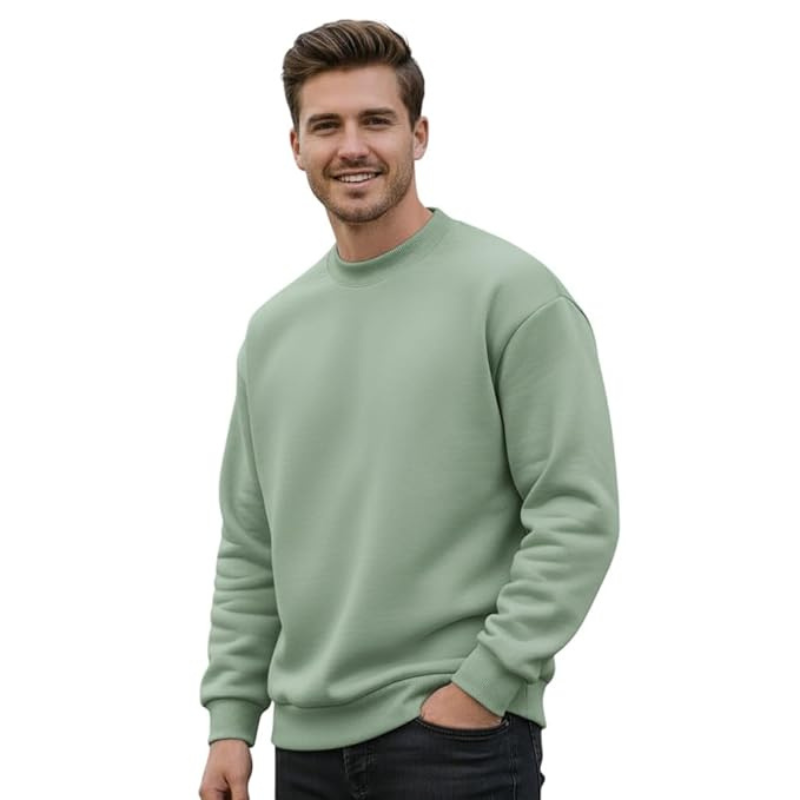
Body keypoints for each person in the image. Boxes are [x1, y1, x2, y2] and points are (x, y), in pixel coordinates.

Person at [198, 18, 619, 800]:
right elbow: (252, 545)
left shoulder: (513, 295)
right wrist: (231, 720)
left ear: (419, 135)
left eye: (376, 121)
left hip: (454, 745)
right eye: (327, 125)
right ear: (296, 145)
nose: (352, 146)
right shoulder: (273, 331)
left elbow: (576, 513)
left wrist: (482, 688)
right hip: (305, 749)